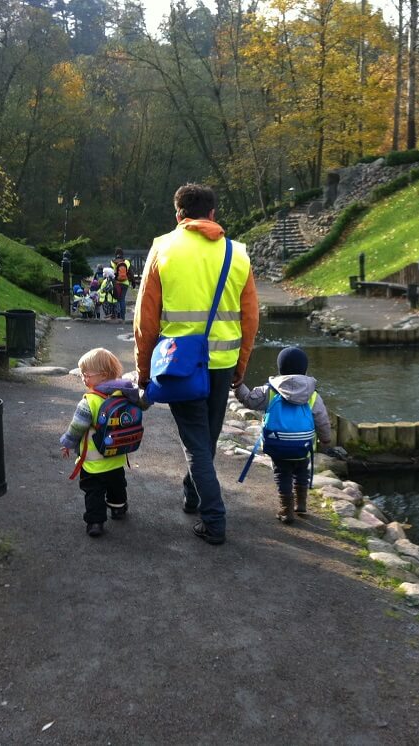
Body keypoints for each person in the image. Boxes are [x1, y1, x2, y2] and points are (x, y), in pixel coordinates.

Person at [134, 183, 259, 545]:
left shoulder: (163, 248)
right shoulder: (238, 253)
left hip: (180, 364)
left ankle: (214, 519)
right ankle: (192, 495)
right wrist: (240, 367)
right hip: (222, 363)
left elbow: (145, 319)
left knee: (196, 444)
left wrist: (144, 373)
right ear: (213, 214)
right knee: (206, 439)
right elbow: (251, 319)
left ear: (179, 215)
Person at [234, 346, 331, 523]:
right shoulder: (312, 395)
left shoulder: (269, 391)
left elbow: (249, 400)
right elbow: (322, 419)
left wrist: (238, 385)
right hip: (303, 445)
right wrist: (325, 439)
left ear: (280, 368)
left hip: (277, 444)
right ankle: (301, 503)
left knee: (283, 474)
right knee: (302, 471)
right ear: (305, 369)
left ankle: (286, 510)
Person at [60, 348, 150, 537]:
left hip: (93, 461)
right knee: (117, 485)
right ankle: (118, 509)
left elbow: (77, 427)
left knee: (93, 491)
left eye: (86, 374)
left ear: (102, 375)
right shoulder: (125, 394)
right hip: (116, 456)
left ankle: (95, 522)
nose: (83, 378)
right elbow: (144, 404)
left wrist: (68, 443)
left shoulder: (89, 401)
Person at [111, 249, 132, 322]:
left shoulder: (112, 262)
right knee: (122, 299)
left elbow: (110, 273)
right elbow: (130, 273)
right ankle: (123, 317)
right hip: (125, 283)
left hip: (116, 283)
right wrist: (133, 282)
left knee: (117, 299)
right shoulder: (127, 262)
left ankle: (117, 315)